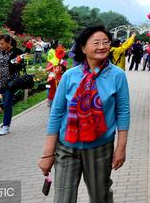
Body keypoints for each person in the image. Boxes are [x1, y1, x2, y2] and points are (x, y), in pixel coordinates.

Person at [39, 25, 130, 203]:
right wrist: (48, 153)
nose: (102, 46)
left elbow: (123, 112)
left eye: (106, 42)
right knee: (63, 199)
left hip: (100, 148)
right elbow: (56, 113)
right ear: (83, 48)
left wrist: (121, 147)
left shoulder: (117, 75)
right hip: (66, 146)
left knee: (100, 197)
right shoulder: (70, 76)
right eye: (96, 43)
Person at [0, 34, 25, 136]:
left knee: (7, 104)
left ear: (9, 42)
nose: (0, 46)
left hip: (10, 83)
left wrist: (18, 62)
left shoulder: (17, 52)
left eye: (2, 44)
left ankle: (6, 126)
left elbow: (20, 65)